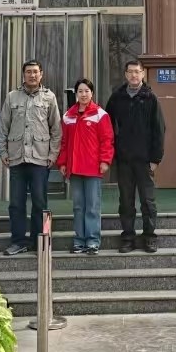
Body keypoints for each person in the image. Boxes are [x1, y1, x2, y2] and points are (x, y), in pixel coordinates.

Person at [0, 60, 62, 256]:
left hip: (40, 159)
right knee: (16, 204)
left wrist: (53, 154)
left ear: (41, 74)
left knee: (40, 203)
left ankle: (41, 241)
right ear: (23, 75)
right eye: (28, 72)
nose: (32, 75)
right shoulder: (12, 96)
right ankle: (18, 241)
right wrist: (3, 152)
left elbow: (56, 129)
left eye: (35, 72)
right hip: (17, 158)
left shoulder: (49, 97)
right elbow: (3, 127)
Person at [106, 59, 165, 253]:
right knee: (126, 201)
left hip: (145, 159)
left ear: (142, 74)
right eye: (130, 71)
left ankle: (149, 237)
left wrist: (156, 159)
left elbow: (159, 130)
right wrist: (112, 153)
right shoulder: (117, 98)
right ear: (125, 74)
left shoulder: (150, 98)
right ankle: (128, 238)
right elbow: (107, 127)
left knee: (148, 201)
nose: (133, 75)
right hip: (124, 159)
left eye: (137, 72)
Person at [58, 78, 114, 255]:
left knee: (92, 206)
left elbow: (107, 140)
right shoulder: (68, 116)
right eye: (80, 91)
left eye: (87, 91)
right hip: (74, 168)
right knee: (78, 206)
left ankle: (92, 241)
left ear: (92, 93)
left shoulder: (100, 114)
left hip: (93, 168)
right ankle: (79, 241)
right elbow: (64, 142)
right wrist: (62, 162)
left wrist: (105, 160)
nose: (83, 94)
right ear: (76, 94)